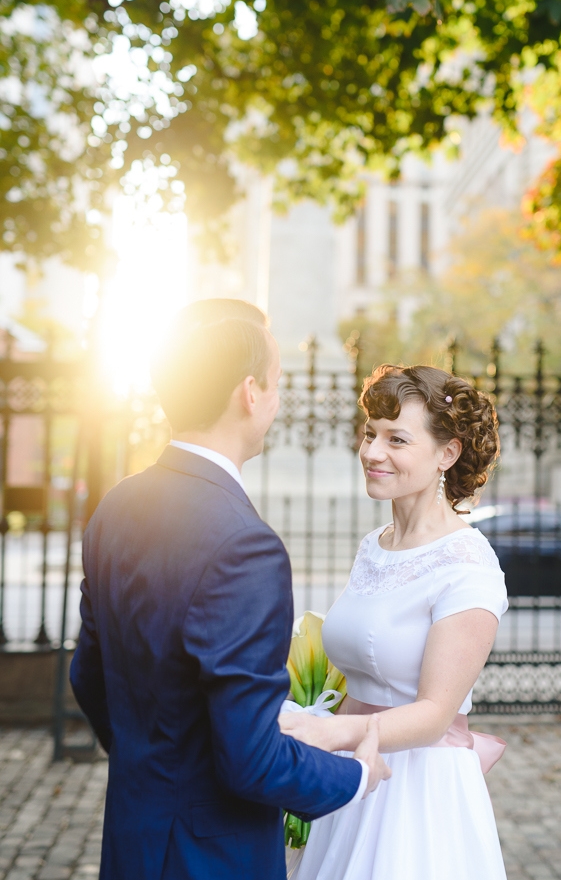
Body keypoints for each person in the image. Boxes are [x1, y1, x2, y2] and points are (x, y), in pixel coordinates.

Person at [69, 299, 390, 880]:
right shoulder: (246, 546)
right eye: (276, 383)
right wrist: (357, 776)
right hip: (211, 856)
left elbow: (87, 675)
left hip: (134, 834)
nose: (277, 398)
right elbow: (251, 760)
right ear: (249, 392)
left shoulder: (114, 508)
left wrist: (157, 768)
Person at [280, 364, 509, 880]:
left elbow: (432, 714)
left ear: (446, 454)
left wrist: (322, 733)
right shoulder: (375, 546)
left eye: (396, 439)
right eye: (369, 434)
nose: (372, 452)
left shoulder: (468, 567)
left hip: (417, 792)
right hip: (354, 779)